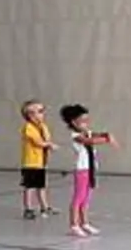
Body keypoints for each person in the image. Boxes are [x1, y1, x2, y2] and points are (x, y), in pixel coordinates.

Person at [60, 104, 118, 238]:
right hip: (82, 170)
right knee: (78, 197)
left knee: (87, 198)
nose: (86, 123)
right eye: (83, 121)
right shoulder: (76, 135)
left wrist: (108, 135)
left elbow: (97, 135)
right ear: (74, 122)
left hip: (91, 168)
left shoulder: (88, 132)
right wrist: (106, 140)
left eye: (87, 120)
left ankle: (85, 222)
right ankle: (74, 224)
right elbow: (89, 141)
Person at [19, 100, 57, 220]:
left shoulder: (43, 126)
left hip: (41, 163)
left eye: (42, 111)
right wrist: (49, 145)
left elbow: (47, 138)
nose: (41, 115)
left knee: (41, 186)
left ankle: (44, 207)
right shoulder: (28, 128)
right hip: (31, 163)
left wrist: (48, 143)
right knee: (29, 187)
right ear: (30, 115)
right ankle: (28, 209)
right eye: (38, 112)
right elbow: (38, 142)